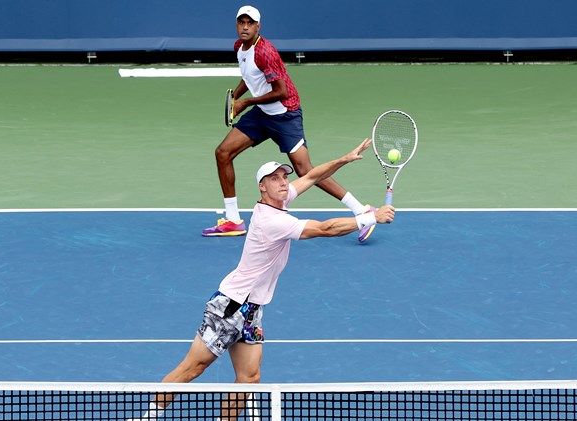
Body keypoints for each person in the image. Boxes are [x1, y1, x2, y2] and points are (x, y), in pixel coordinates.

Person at [133, 138, 394, 421]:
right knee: (191, 369)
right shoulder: (272, 221)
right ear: (262, 187)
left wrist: (344, 158)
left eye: (284, 177)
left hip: (253, 310)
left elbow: (313, 175)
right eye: (274, 178)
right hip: (230, 307)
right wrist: (371, 217)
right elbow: (326, 228)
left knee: (249, 377)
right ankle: (145, 417)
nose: (283, 182)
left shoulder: (280, 201)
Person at [202, 5, 377, 244]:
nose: (245, 27)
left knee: (305, 170)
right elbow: (249, 75)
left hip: (285, 114)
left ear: (257, 27)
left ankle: (361, 210)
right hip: (262, 114)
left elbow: (281, 91)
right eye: (241, 22)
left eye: (249, 23)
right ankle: (233, 220)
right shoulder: (239, 48)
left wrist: (246, 103)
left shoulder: (265, 51)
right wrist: (236, 96)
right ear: (236, 25)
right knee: (223, 153)